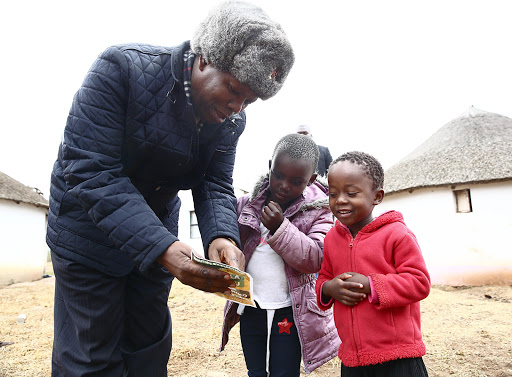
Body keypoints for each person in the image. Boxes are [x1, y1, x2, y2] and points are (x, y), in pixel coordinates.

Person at [46, 1, 294, 376]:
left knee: (149, 348)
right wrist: (163, 248)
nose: (237, 106)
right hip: (88, 235)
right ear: (204, 58)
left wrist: (223, 236)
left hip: (155, 236)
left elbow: (214, 181)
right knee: (92, 358)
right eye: (232, 89)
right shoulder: (122, 69)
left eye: (248, 100)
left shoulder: (229, 121)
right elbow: (90, 171)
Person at [219, 133, 340, 377]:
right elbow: (225, 235)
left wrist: (280, 227)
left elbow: (315, 258)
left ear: (311, 179)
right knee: (256, 372)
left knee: (283, 372)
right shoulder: (247, 205)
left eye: (296, 181)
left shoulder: (319, 212)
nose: (284, 185)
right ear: (270, 167)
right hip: (251, 307)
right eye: (279, 175)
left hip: (290, 312)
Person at [316, 151, 431, 377]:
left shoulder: (397, 234)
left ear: (377, 196)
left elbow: (419, 282)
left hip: (398, 357)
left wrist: (371, 285)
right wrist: (329, 288)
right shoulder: (331, 239)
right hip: (352, 358)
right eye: (333, 193)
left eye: (351, 193)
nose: (340, 200)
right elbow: (323, 277)